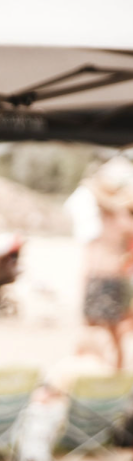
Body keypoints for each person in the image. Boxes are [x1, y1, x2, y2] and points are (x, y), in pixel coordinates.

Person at [66, 157, 133, 368]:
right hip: (100, 276)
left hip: (109, 277)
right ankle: (91, 366)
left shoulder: (120, 216)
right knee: (93, 327)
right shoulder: (102, 216)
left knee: (112, 330)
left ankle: (114, 370)